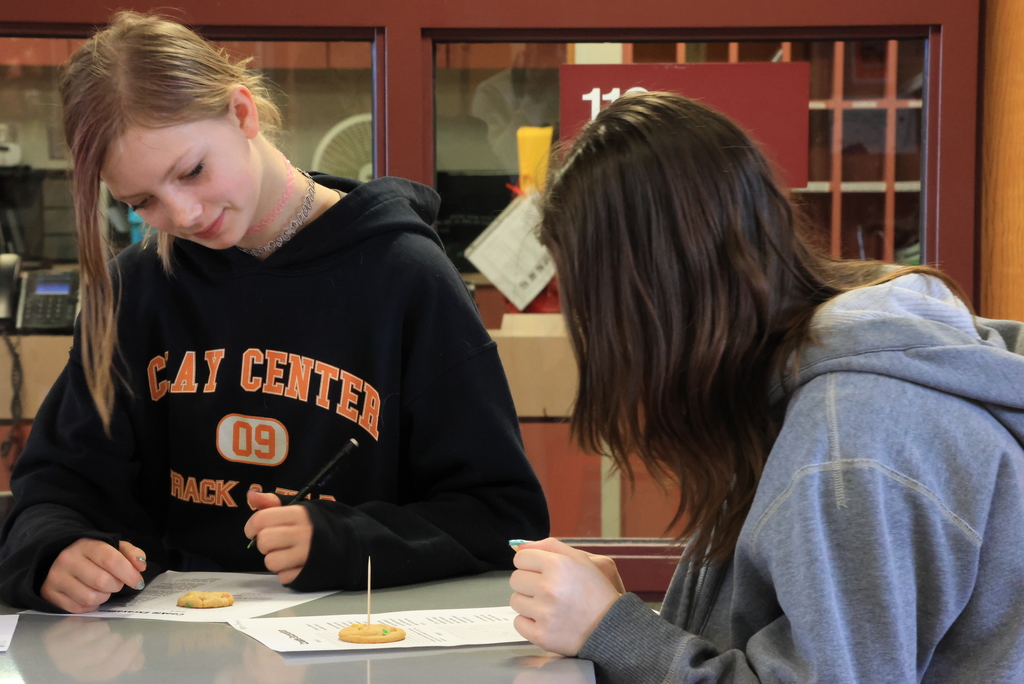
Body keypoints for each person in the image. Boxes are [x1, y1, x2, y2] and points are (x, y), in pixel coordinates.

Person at [0, 11, 549, 614]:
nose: (182, 215)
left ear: (241, 113)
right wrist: (53, 550)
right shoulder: (136, 288)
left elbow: (502, 515)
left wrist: (349, 539)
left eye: (192, 171)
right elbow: (56, 486)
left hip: (354, 648)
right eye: (143, 201)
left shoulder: (406, 276)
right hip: (167, 650)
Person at [509, 91, 1024, 682]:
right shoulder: (803, 393)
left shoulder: (848, 440)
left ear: (652, 306)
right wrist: (612, 619)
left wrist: (613, 630)